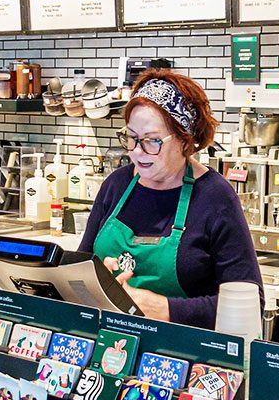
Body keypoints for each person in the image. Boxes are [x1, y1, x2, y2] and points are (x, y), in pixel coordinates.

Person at [78, 69, 262, 328]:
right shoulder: (116, 185)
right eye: (131, 137)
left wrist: (166, 308)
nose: (137, 151)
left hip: (183, 357)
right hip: (111, 345)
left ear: (185, 141)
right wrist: (96, 279)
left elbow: (253, 302)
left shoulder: (215, 198)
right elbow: (77, 269)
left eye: (152, 141)